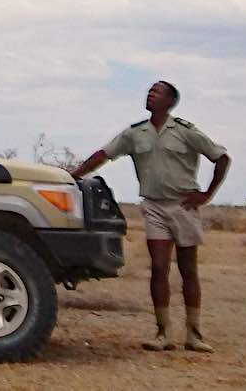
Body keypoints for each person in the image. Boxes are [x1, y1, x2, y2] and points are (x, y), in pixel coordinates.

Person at [72, 80, 232, 353]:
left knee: (188, 269)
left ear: (170, 101)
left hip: (184, 206)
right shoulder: (137, 133)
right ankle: (163, 332)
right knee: (159, 267)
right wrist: (74, 175)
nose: (150, 94)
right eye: (149, 90)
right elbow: (104, 154)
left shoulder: (184, 131)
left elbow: (221, 157)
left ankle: (193, 332)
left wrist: (207, 194)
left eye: (156, 92)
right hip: (154, 206)